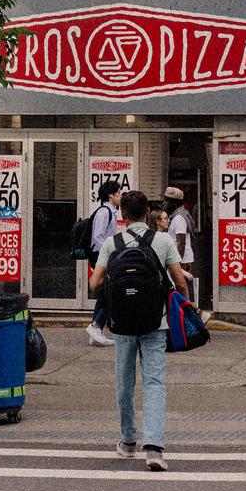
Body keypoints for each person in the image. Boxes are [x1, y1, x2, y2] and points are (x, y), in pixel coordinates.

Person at [89, 189, 189, 470]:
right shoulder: (163, 240)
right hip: (155, 322)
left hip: (122, 324)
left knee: (124, 382)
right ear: (147, 213)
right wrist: (184, 304)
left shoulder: (112, 243)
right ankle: (154, 448)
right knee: (154, 382)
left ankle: (129, 439)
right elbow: (180, 283)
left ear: (122, 216)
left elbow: (94, 284)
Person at [86, 179, 123, 346]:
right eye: (118, 194)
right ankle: (96, 326)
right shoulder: (104, 212)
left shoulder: (109, 212)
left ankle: (97, 328)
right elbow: (98, 236)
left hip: (102, 255)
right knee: (108, 291)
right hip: (100, 255)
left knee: (104, 291)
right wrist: (109, 254)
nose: (120, 197)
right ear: (111, 195)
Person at [164, 186, 197, 283]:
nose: (164, 204)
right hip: (181, 261)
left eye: (166, 201)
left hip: (181, 262)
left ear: (174, 203)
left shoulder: (179, 218)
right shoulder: (176, 215)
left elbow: (181, 242)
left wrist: (177, 265)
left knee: (181, 288)